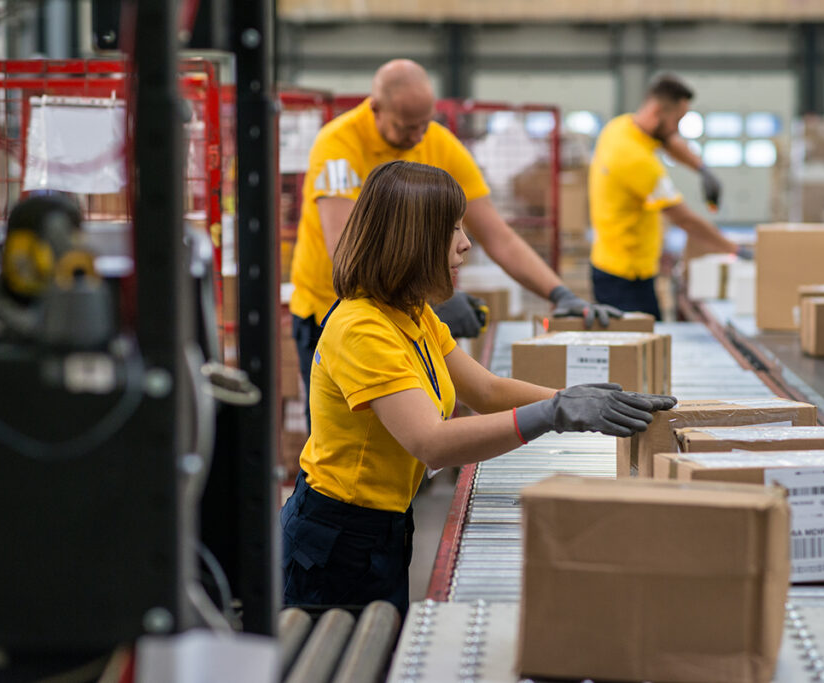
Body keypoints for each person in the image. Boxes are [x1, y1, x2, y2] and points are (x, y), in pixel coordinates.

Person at [281, 161, 676, 615]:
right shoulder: (361, 328)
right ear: (412, 240)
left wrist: (576, 399)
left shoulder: (412, 312)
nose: (465, 244)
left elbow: (484, 390)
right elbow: (432, 443)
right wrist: (553, 416)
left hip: (383, 524)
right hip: (335, 537)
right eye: (451, 230)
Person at [289, 59, 621, 414]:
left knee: (407, 427)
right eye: (406, 127)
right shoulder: (338, 145)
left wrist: (560, 294)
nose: (418, 137)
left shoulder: (437, 143)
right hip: (333, 310)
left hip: (400, 310)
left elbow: (497, 235)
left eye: (424, 124)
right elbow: (346, 248)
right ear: (375, 108)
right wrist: (435, 297)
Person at [588, 72, 744, 319]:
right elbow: (685, 220)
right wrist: (734, 249)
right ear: (658, 111)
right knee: (642, 349)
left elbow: (669, 141)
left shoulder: (621, 127)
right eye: (678, 120)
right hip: (625, 279)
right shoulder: (637, 161)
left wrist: (702, 170)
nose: (678, 129)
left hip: (614, 266)